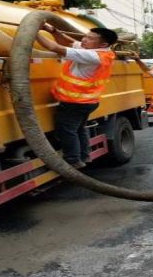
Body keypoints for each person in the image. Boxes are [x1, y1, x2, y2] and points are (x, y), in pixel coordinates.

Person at [36, 24, 118, 169]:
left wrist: (32, 31)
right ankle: (84, 156)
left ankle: (73, 161)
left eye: (90, 38)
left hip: (75, 103)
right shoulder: (99, 51)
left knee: (66, 131)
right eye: (85, 36)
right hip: (86, 101)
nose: (84, 40)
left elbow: (55, 47)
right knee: (79, 129)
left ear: (103, 44)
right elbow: (69, 42)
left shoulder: (93, 56)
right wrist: (54, 30)